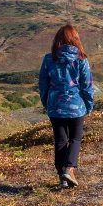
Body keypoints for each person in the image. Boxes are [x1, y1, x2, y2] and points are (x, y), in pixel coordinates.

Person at [39, 24, 94, 188]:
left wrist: (46, 103)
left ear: (57, 40)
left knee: (60, 141)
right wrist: (89, 105)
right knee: (75, 139)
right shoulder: (81, 60)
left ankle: (62, 175)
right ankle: (69, 169)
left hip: (55, 106)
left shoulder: (49, 59)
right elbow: (87, 86)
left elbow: (43, 84)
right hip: (76, 107)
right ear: (75, 39)